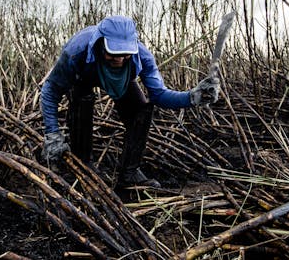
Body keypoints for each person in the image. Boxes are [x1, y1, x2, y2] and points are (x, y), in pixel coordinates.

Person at [40, 15, 220, 188]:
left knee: (142, 110)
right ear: (101, 44)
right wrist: (53, 134)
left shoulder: (142, 57)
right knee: (82, 99)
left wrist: (191, 97)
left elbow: (159, 95)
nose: (119, 59)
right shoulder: (76, 53)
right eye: (113, 53)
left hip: (122, 80)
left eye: (125, 53)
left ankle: (130, 173)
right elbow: (50, 91)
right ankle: (83, 163)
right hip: (84, 76)